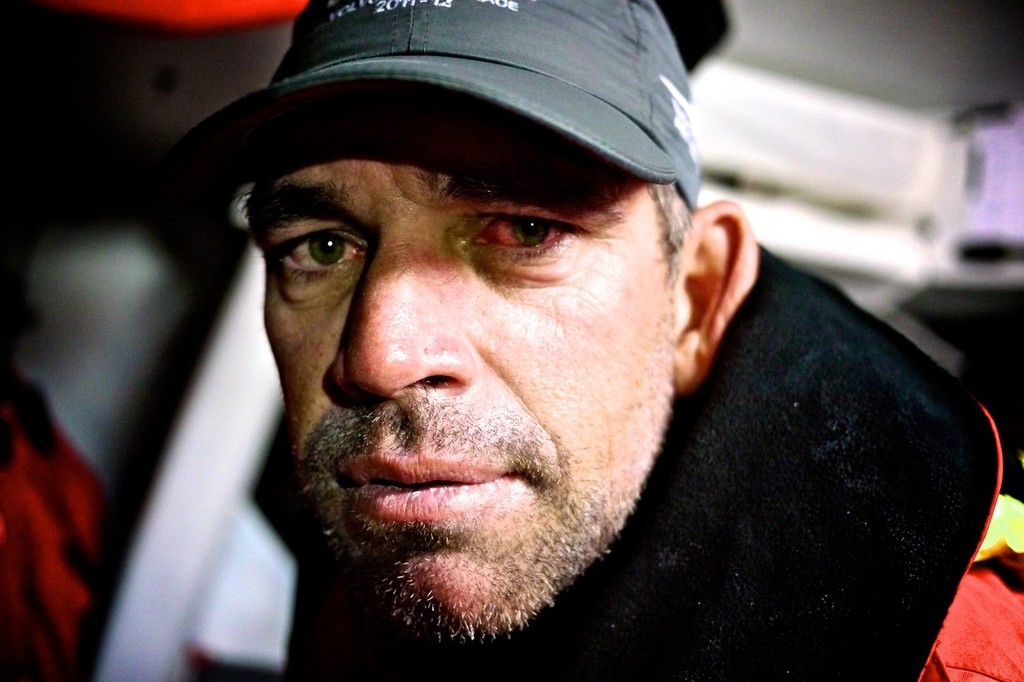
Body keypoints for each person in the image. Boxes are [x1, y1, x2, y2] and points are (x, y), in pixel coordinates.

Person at [161, 1, 1022, 679]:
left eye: (526, 230)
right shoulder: (377, 532)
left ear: (695, 299)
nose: (376, 359)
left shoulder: (959, 661)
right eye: (320, 247)